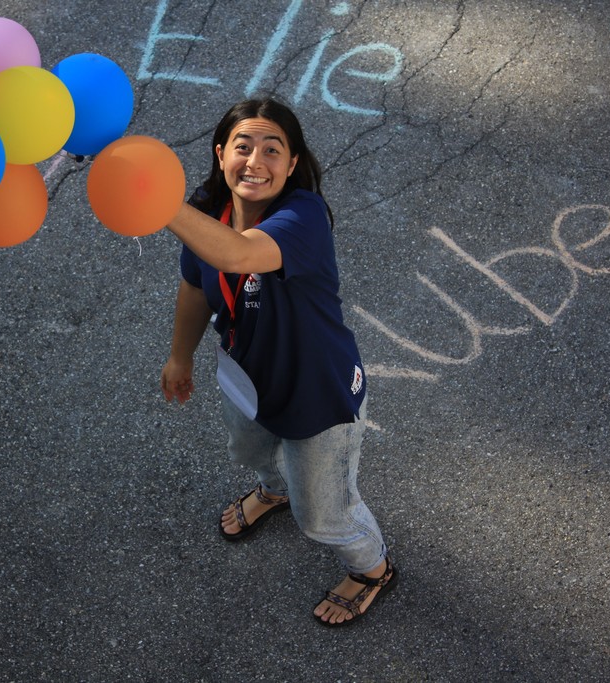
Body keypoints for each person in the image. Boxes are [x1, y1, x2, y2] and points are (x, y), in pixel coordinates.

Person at [159, 98, 397, 626]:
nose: (255, 161)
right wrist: (180, 356)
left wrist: (159, 202)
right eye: (242, 147)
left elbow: (238, 257)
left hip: (318, 393)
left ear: (292, 165)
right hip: (246, 377)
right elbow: (196, 286)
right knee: (250, 448)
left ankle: (371, 569)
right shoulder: (206, 215)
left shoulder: (303, 216)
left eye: (273, 150)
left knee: (324, 515)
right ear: (221, 154)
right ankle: (274, 490)